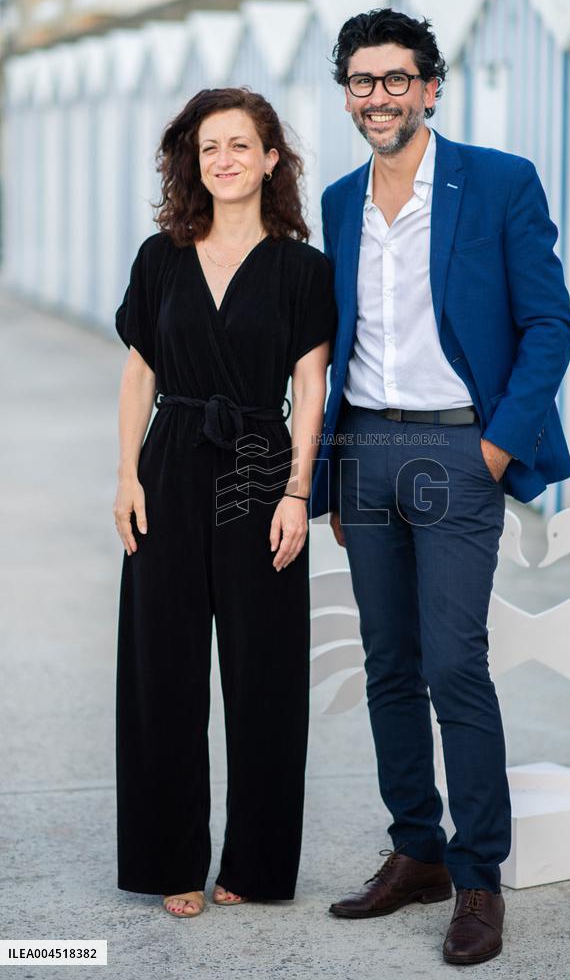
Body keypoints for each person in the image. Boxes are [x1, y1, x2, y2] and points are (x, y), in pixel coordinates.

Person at [309, 9, 570, 966]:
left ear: (430, 86)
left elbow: (549, 324)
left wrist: (499, 450)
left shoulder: (499, 182)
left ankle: (478, 876)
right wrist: (333, 469)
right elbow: (332, 343)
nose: (377, 97)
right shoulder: (340, 201)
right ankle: (415, 848)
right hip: (368, 451)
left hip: (461, 453)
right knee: (387, 664)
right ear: (347, 92)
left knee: (454, 664)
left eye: (395, 79)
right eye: (361, 81)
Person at [113, 87, 337, 918]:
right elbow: (140, 371)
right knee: (160, 670)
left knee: (265, 673)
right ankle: (171, 857)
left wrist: (296, 491)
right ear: (192, 162)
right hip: (168, 463)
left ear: (272, 158)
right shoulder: (159, 257)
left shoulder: (302, 268)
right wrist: (127, 475)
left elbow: (310, 388)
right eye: (210, 147)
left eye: (241, 145)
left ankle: (257, 861)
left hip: (258, 464)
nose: (225, 160)